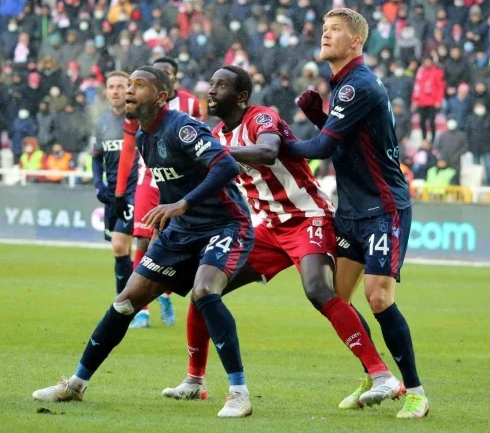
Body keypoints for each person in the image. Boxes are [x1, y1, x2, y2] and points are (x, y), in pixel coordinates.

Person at [161, 66, 393, 407]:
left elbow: (268, 151)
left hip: (308, 217)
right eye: (211, 84)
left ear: (241, 96)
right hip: (268, 228)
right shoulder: (217, 135)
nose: (211, 91)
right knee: (204, 289)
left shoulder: (260, 117)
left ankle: (382, 376)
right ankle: (195, 380)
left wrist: (216, 153)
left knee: (318, 290)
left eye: (220, 86)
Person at [33, 67, 255, 418]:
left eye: (138, 85)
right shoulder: (142, 136)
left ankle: (239, 393)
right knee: (124, 303)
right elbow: (171, 183)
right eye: (128, 85)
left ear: (161, 97)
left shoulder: (182, 127)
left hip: (225, 226)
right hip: (180, 232)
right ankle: (75, 385)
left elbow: (226, 166)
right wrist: (167, 217)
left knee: (204, 292)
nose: (129, 91)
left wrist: (182, 204)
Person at [285, 8, 428, 418]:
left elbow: (323, 148)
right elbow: (348, 142)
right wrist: (319, 116)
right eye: (324, 28)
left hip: (383, 208)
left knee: (378, 297)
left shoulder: (357, 85)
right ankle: (376, 373)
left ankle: (415, 391)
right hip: (351, 210)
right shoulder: (344, 85)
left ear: (356, 41)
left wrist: (275, 143)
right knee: (337, 299)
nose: (326, 34)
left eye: (336, 30)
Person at [113, 56, 204, 328]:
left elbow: (202, 141)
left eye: (166, 73)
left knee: (174, 241)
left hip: (180, 181)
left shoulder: (190, 104)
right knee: (142, 242)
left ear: (173, 79)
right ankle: (141, 310)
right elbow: (129, 148)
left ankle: (165, 293)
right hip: (149, 178)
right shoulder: (138, 107)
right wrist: (120, 192)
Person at [92, 71, 138, 297]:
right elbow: (96, 157)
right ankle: (129, 302)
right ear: (106, 92)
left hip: (135, 190)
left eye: (121, 86)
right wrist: (98, 185)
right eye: (112, 87)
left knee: (120, 244)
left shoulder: (138, 120)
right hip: (113, 192)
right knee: (121, 250)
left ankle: (125, 302)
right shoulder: (102, 123)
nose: (116, 91)